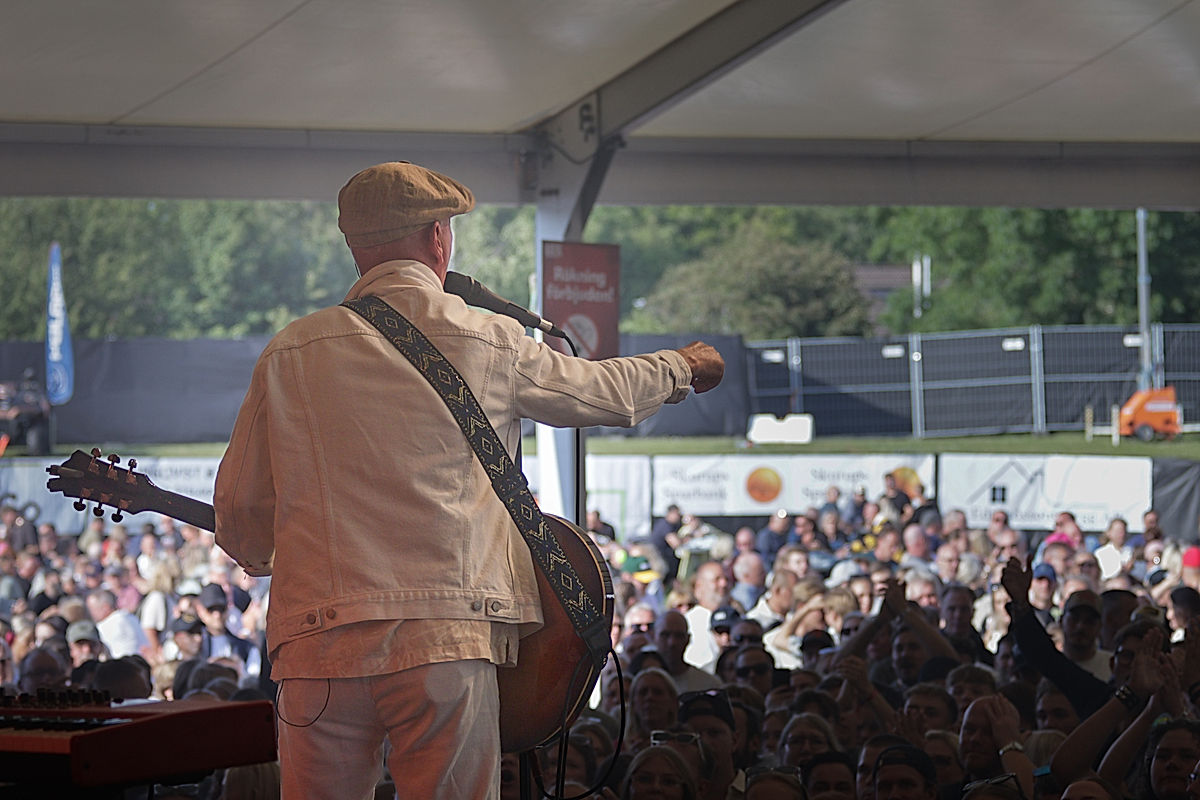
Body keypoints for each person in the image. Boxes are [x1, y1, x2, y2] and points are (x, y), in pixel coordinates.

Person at [213, 160, 725, 800]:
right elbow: (600, 393)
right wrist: (682, 366)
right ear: (437, 238)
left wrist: (280, 560)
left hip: (319, 645)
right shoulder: (486, 336)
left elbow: (238, 516)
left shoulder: (291, 350)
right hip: (445, 638)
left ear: (355, 246)